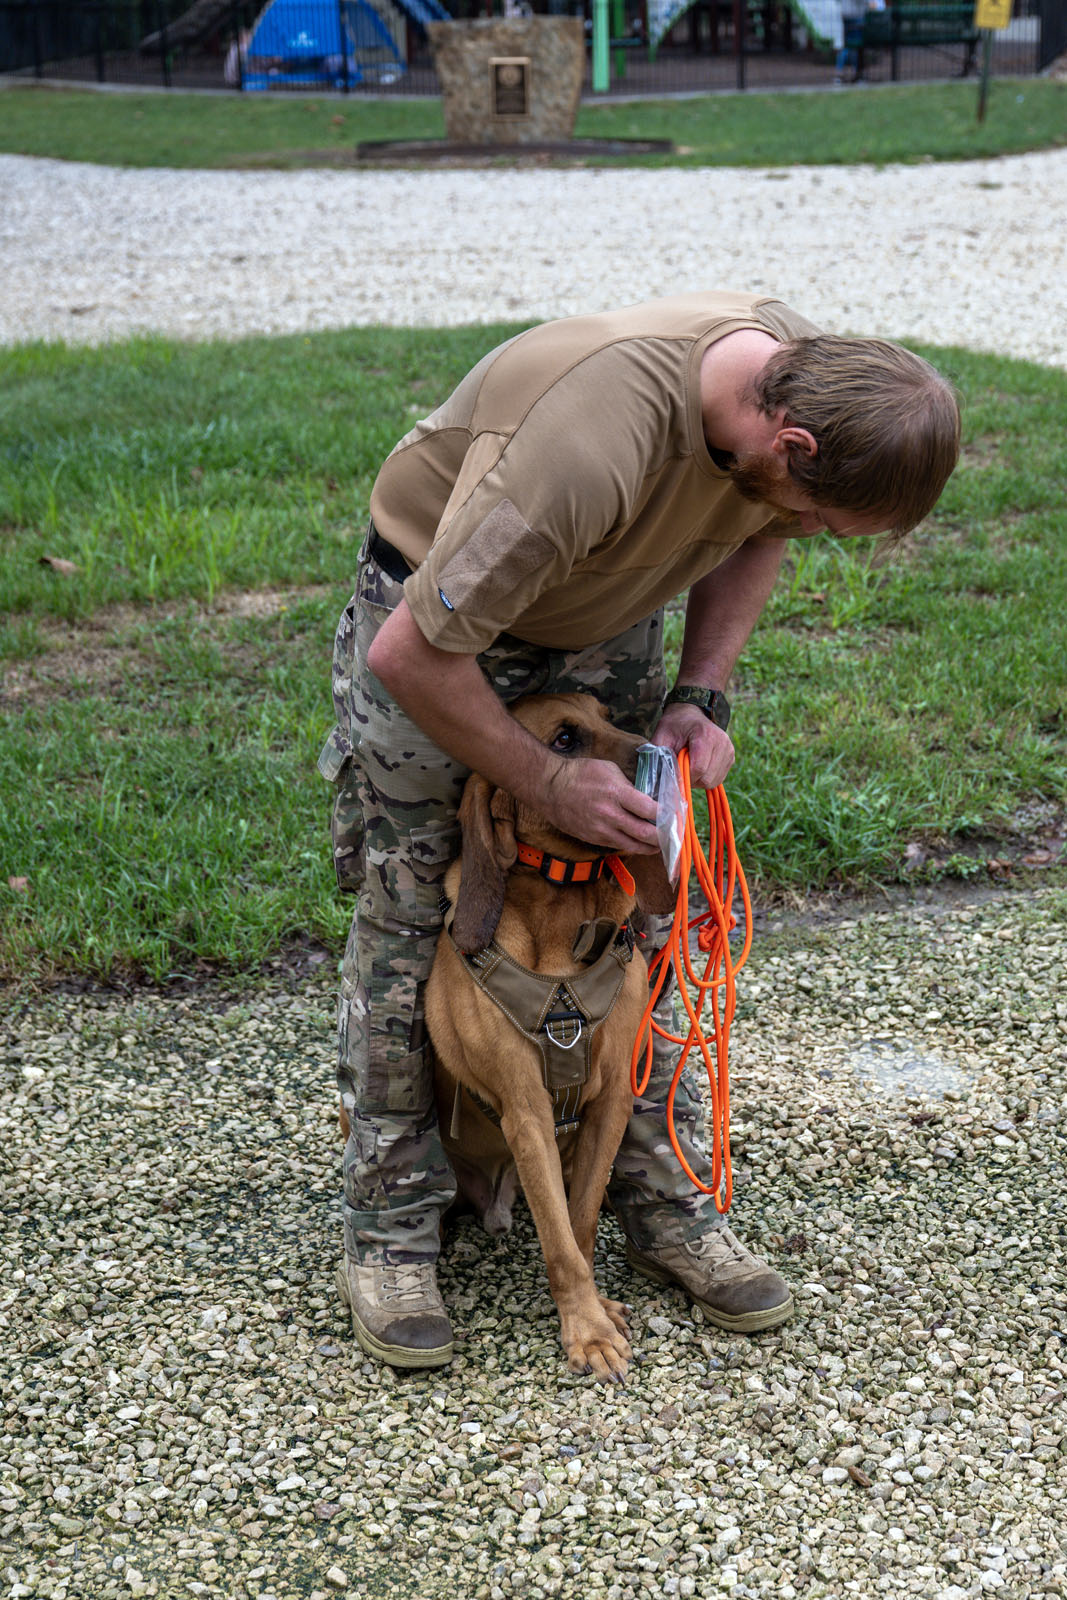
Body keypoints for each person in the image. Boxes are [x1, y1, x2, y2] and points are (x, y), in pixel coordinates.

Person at [319, 290, 960, 1371]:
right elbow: (412, 658)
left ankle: (656, 1200)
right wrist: (541, 780)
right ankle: (390, 1224)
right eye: (813, 519)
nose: (799, 534)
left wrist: (697, 694)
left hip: (600, 605)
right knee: (417, 902)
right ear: (789, 441)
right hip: (437, 623)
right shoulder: (580, 451)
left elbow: (758, 525)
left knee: (639, 908)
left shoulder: (787, 384)